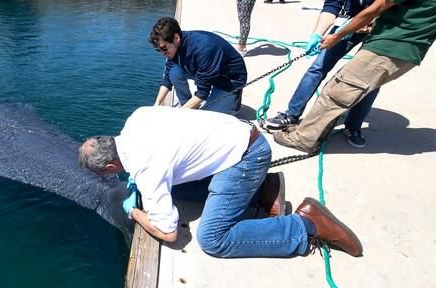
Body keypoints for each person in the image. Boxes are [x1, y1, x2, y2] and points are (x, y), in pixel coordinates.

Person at [78, 106, 363, 258]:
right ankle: (262, 191)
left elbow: (169, 233)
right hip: (239, 138)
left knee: (214, 240)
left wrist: (135, 212)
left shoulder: (146, 169)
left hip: (245, 157)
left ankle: (306, 225)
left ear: (111, 165)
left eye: (103, 174)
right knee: (175, 188)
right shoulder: (137, 117)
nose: (108, 178)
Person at [273, 0, 436, 154]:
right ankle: (292, 114)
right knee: (319, 66)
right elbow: (334, 1)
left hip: (379, 22)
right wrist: (320, 33)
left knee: (367, 82)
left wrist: (368, 22)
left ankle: (352, 125)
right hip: (354, 20)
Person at [150, 17, 247, 115]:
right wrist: (156, 104)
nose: (162, 53)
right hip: (207, 70)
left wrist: (179, 115)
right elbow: (167, 77)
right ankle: (186, 103)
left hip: (229, 79)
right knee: (174, 71)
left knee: (209, 117)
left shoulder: (203, 49)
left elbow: (202, 93)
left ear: (176, 38)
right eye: (158, 50)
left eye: (164, 48)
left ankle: (234, 101)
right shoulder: (175, 47)